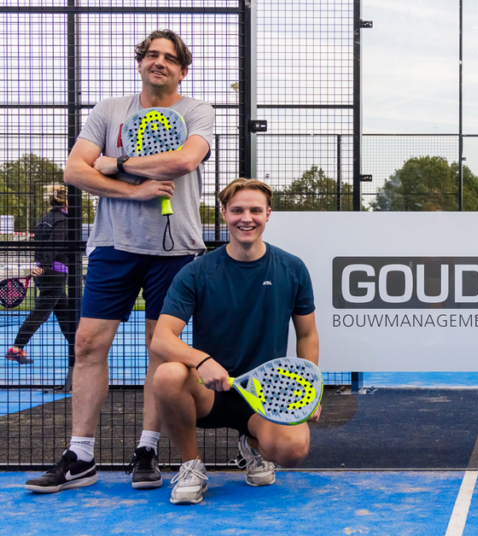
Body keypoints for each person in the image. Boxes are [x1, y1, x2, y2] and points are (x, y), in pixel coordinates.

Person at [25, 29, 214, 493]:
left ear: (182, 70)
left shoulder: (196, 111)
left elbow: (186, 160)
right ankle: (81, 455)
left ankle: (146, 450)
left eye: (170, 58)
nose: (160, 62)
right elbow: (73, 170)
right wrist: (136, 187)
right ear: (141, 63)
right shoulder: (110, 110)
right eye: (152, 55)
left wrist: (114, 163)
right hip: (113, 246)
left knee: (159, 349)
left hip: (176, 249)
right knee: (88, 344)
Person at [148, 178, 320, 505]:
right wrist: (201, 360)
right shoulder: (196, 272)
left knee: (293, 451)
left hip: (264, 395)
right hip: (208, 392)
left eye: (255, 210)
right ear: (224, 213)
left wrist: (307, 393)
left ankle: (252, 446)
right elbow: (162, 338)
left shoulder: (293, 268)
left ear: (268, 214)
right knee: (168, 374)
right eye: (238, 210)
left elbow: (307, 334)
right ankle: (191, 467)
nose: (247, 218)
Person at [6, 185, 76, 366]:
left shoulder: (45, 219)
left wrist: (41, 266)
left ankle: (76, 347)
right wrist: (45, 266)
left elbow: (41, 245)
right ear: (67, 201)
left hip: (45, 271)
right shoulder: (63, 220)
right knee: (40, 313)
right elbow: (55, 244)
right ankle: (16, 348)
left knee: (64, 311)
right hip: (53, 272)